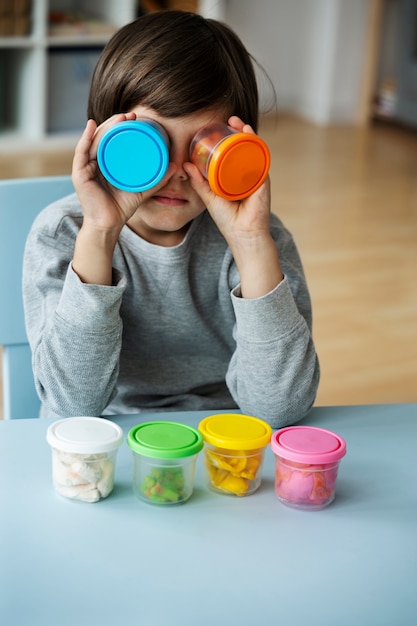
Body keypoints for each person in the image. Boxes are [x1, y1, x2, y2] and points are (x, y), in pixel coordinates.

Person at [23, 10, 320, 428]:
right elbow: (73, 405)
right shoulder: (66, 233)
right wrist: (100, 233)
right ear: (106, 137)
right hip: (103, 437)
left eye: (203, 150)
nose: (176, 172)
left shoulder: (260, 239)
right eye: (150, 145)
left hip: (220, 434)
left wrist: (251, 245)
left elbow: (280, 409)